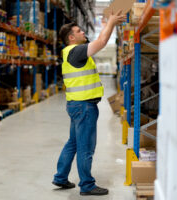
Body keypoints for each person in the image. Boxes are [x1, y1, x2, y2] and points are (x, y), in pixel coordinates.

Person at [52, 11, 126, 196]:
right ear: (71, 37)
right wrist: (111, 23)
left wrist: (108, 24)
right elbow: (101, 42)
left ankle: (60, 177)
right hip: (84, 106)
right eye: (79, 31)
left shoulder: (71, 52)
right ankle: (87, 185)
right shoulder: (75, 51)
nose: (83, 32)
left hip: (76, 105)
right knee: (86, 146)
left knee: (74, 143)